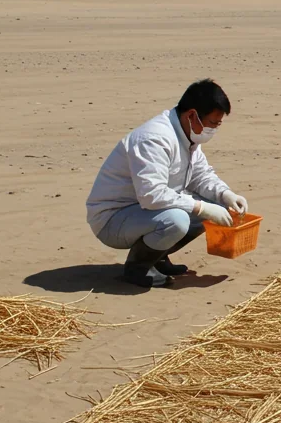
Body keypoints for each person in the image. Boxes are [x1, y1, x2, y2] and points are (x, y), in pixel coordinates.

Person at [86, 79, 249, 288]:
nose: (214, 130)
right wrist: (201, 207)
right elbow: (151, 195)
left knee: (211, 205)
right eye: (212, 124)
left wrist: (226, 195)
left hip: (143, 212)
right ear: (192, 115)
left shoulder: (188, 135)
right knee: (178, 219)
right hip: (113, 220)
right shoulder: (154, 139)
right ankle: (138, 267)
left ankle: (158, 257)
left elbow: (201, 176)